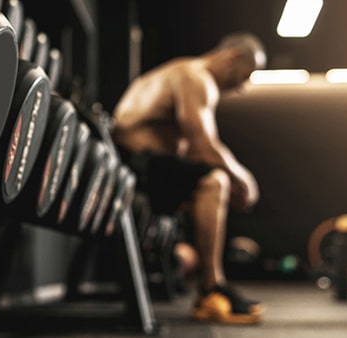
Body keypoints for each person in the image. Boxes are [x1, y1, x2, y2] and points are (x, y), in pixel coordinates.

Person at [112, 32, 265, 324]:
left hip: (137, 165)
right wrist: (243, 178)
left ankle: (206, 280)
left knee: (208, 187)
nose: (242, 86)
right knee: (214, 181)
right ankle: (211, 288)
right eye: (244, 75)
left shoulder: (180, 71)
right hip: (132, 165)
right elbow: (202, 146)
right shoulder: (196, 77)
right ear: (231, 56)